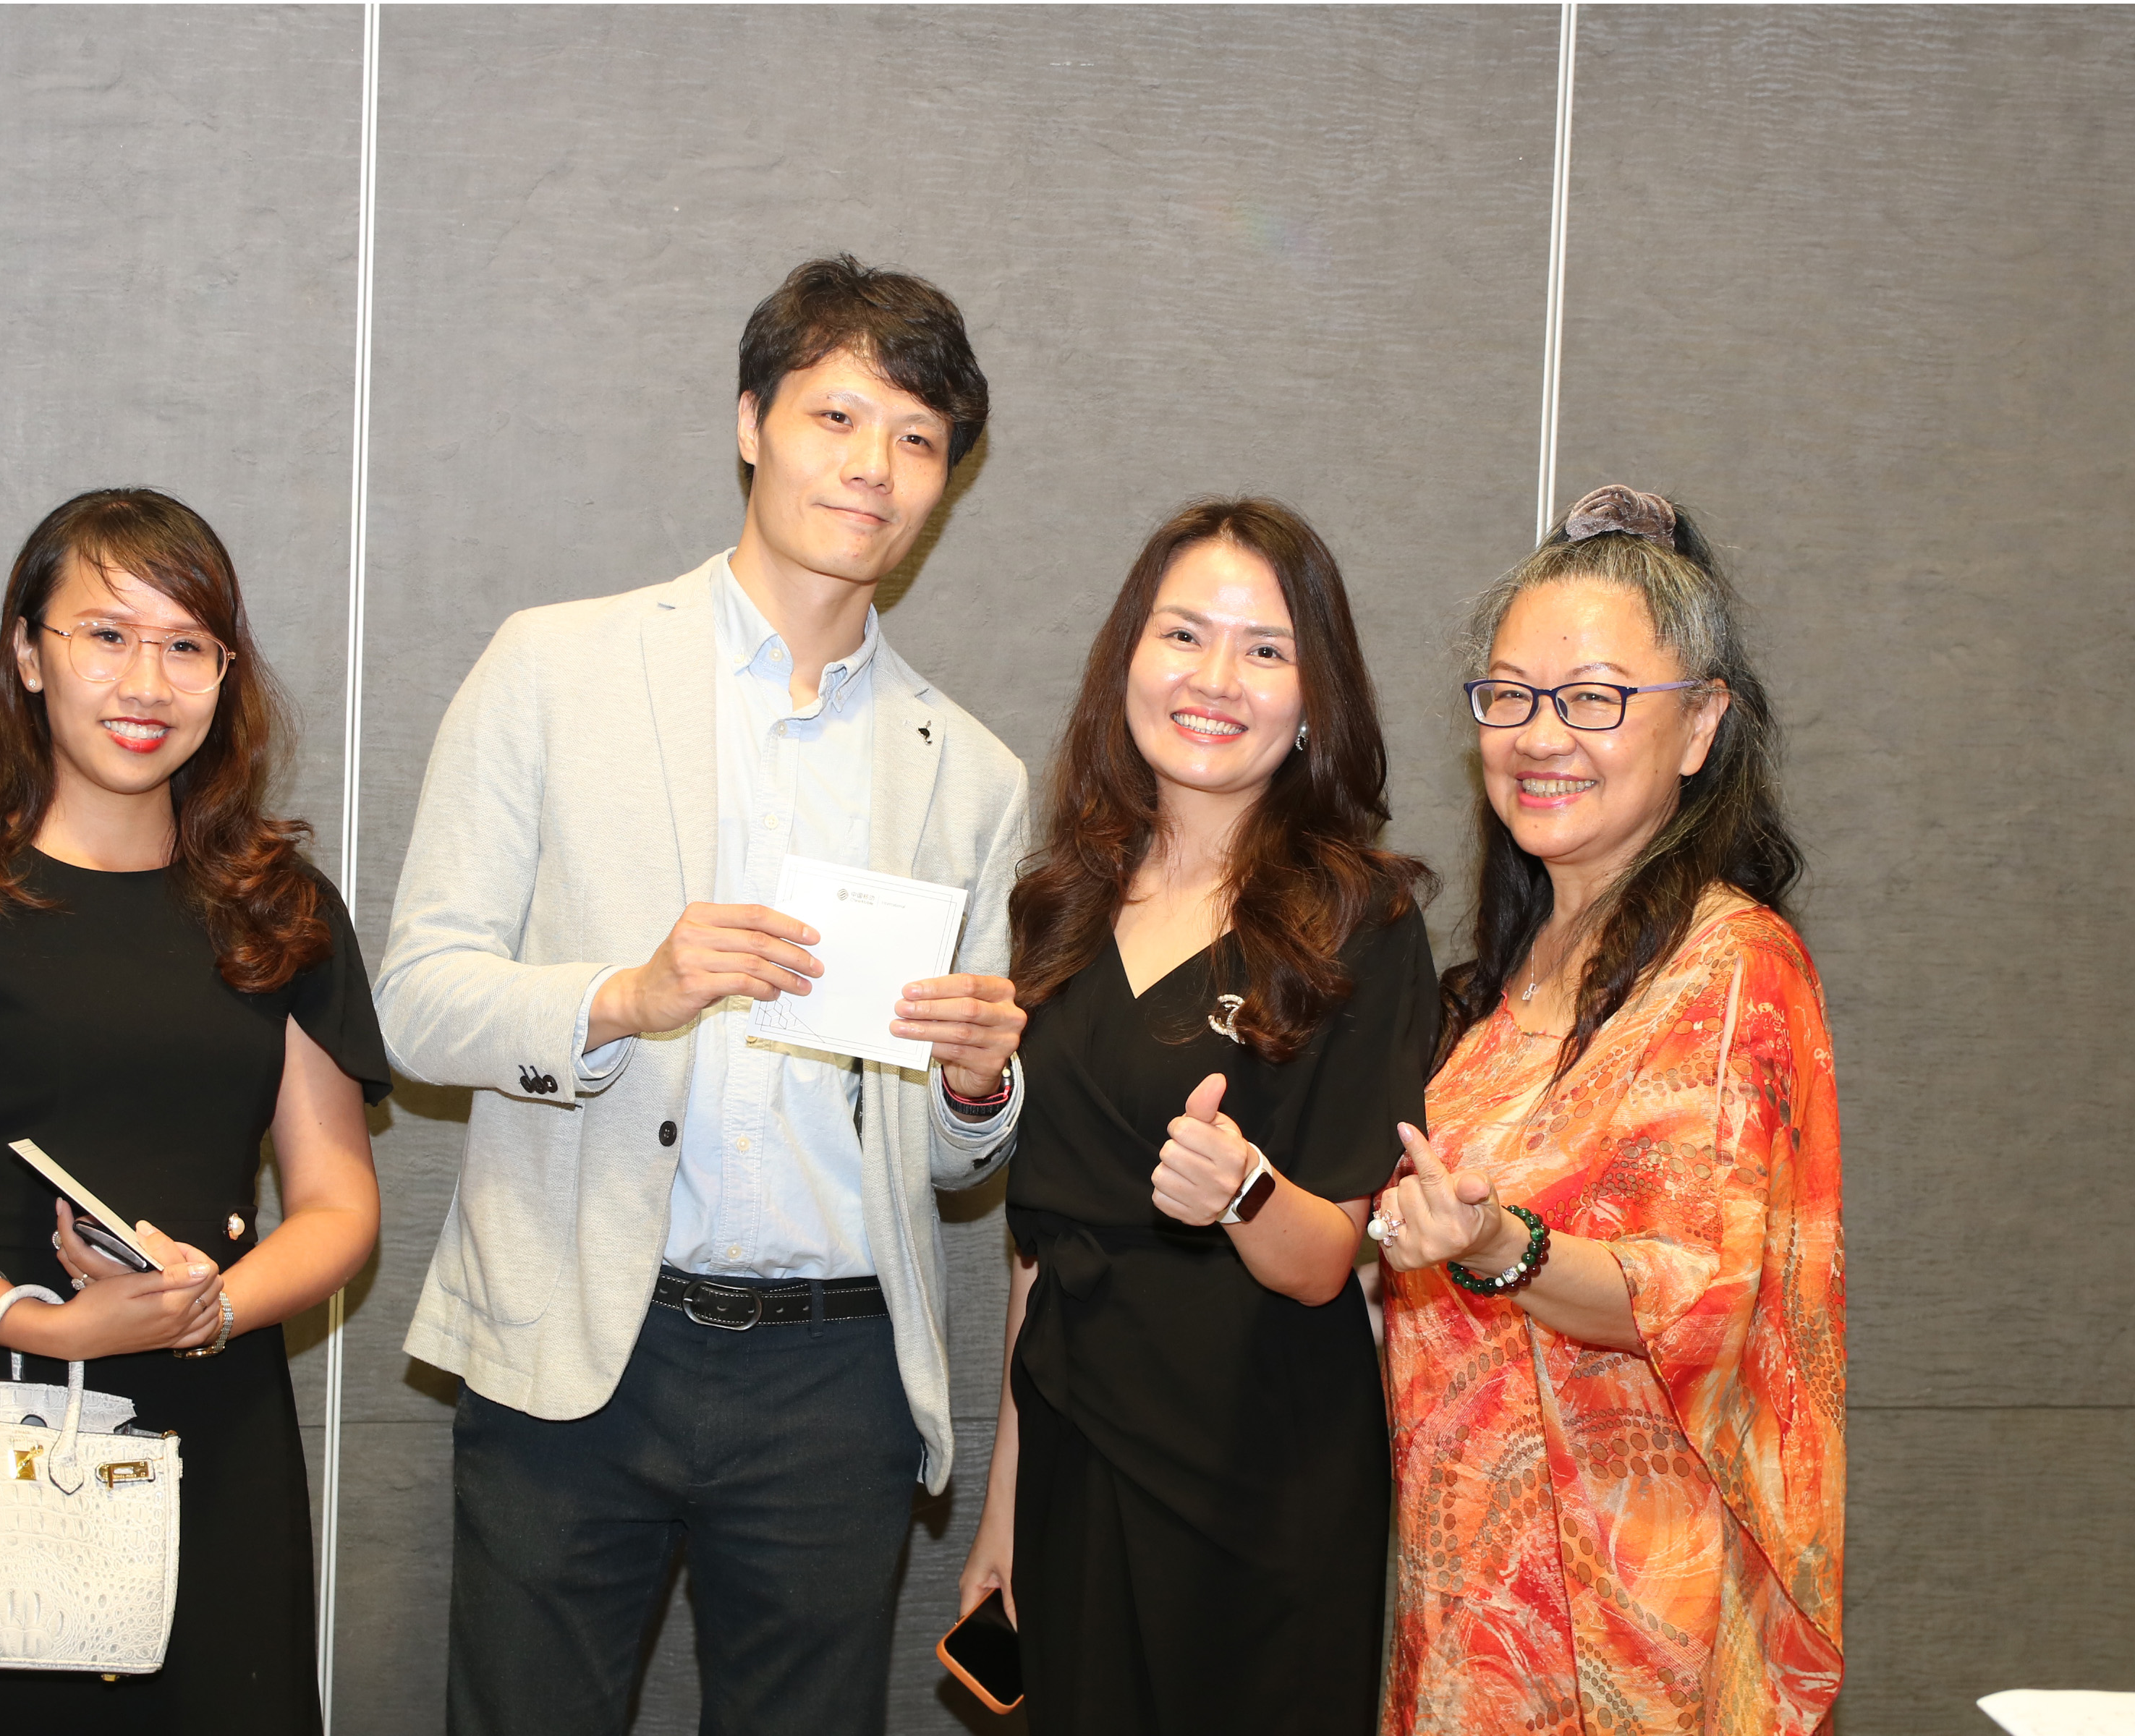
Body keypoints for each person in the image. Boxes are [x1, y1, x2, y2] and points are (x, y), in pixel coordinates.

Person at [375, 256, 1030, 1736]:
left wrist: (981, 1083)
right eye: (836, 417)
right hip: (577, 1333)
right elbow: (416, 1002)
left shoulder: (970, 774)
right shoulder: (555, 668)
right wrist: (627, 996)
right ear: (750, 422)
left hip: (836, 1374)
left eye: (919, 439)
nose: (873, 467)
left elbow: (945, 1159)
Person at [0, 488, 389, 1735]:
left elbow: (339, 1204)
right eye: (105, 635)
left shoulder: (281, 907)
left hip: (215, 1420)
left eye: (187, 645)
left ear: (225, 673)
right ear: (28, 652)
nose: (146, 682)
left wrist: (212, 1307)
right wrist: (49, 1329)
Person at [956, 498, 1438, 1732]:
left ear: (1314, 698)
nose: (1216, 679)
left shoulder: (1361, 921)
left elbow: (1330, 1262)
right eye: (1183, 635)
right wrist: (1005, 1506)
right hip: (1075, 1452)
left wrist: (1243, 1191)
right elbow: (1041, 1248)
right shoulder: (1055, 907)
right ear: (1129, 657)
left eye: (1265, 649)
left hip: (1259, 1475)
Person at [1373, 485, 1843, 1733]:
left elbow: (1700, 1294)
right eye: (1510, 696)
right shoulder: (1491, 987)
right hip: (1467, 1610)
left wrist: (1495, 1244)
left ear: (1700, 727)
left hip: (1636, 1635)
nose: (1540, 736)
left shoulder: (1734, 967)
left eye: (1592, 699)